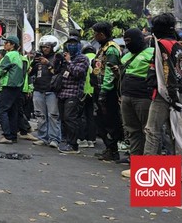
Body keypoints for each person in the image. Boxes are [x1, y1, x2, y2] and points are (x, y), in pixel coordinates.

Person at [144, 13, 182, 155]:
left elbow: (168, 72)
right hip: (177, 94)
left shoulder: (162, 45)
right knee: (173, 132)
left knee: (152, 130)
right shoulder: (178, 45)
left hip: (165, 94)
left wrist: (171, 95)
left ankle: (147, 169)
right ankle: (175, 170)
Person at [119, 28, 154, 177]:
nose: (128, 44)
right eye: (126, 41)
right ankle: (136, 165)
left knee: (149, 132)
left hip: (144, 98)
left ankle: (149, 168)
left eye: (129, 41)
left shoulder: (152, 53)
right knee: (133, 131)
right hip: (127, 97)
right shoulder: (126, 56)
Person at [92, 22, 124, 161]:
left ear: (102, 34)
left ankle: (113, 150)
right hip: (99, 88)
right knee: (101, 121)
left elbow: (110, 72)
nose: (94, 36)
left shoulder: (111, 49)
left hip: (107, 92)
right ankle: (108, 149)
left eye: (96, 33)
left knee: (110, 121)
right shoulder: (103, 48)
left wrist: (104, 91)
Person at [55, 34, 90, 154]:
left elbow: (78, 73)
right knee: (64, 119)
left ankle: (73, 145)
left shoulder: (83, 59)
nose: (71, 46)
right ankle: (67, 141)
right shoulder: (65, 57)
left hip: (73, 93)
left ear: (79, 45)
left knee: (70, 118)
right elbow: (56, 71)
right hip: (62, 92)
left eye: (74, 44)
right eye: (69, 43)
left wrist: (69, 62)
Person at [31, 35, 62, 148]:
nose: (45, 49)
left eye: (47, 47)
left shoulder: (57, 58)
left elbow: (57, 72)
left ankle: (55, 138)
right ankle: (42, 137)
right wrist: (33, 63)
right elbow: (30, 73)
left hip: (52, 91)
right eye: (43, 47)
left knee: (53, 115)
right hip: (38, 90)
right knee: (40, 115)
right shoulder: (38, 59)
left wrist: (48, 64)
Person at [0, 35, 24, 144]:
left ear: (12, 45)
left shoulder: (9, 55)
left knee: (2, 110)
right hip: (17, 87)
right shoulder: (19, 56)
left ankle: (6, 135)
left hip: (8, 85)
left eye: (7, 43)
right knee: (13, 112)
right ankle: (13, 135)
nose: (5, 44)